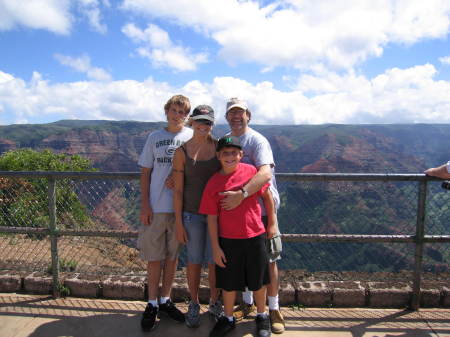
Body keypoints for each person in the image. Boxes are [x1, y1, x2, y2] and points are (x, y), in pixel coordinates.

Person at [200, 136, 276, 337]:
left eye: (234, 152)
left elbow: (267, 197)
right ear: (218, 156)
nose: (230, 157)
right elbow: (211, 218)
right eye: (226, 153)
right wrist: (215, 247)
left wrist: (273, 223)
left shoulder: (252, 173)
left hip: (255, 234)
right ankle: (228, 317)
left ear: (241, 154)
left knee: (258, 280)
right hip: (228, 239)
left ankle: (262, 315)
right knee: (228, 283)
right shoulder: (214, 183)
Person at [221, 98, 285, 334]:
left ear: (248, 115)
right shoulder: (227, 140)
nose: (236, 117)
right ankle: (247, 303)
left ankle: (274, 308)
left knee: (269, 260)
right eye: (232, 113)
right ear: (227, 117)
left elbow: (265, 174)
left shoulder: (258, 141)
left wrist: (242, 193)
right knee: (244, 259)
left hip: (264, 209)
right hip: (240, 213)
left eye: (240, 113)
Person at [138, 94, 193, 331]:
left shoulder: (191, 136)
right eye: (174, 110)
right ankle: (151, 303)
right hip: (157, 206)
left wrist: (180, 175)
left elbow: (199, 167)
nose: (178, 115)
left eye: (182, 112)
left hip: (181, 209)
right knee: (154, 257)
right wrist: (145, 205)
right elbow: (145, 172)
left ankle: (165, 300)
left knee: (172, 257)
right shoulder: (154, 137)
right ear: (166, 111)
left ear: (187, 116)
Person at [172, 105, 223, 328]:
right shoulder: (181, 152)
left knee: (215, 262)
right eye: (200, 121)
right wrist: (178, 223)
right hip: (191, 215)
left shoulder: (221, 147)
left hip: (217, 216)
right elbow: (178, 190)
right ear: (192, 122)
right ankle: (193, 303)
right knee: (193, 261)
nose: (204, 126)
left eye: (208, 122)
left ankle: (214, 302)